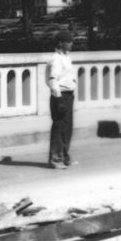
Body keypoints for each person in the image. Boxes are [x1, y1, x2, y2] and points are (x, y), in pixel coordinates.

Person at [45, 30, 77, 169]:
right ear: (61, 43)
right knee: (59, 127)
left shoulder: (66, 57)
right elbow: (53, 80)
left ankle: (64, 157)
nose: (71, 43)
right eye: (68, 41)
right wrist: (58, 99)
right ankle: (55, 159)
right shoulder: (56, 59)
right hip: (60, 95)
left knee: (67, 128)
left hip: (68, 94)